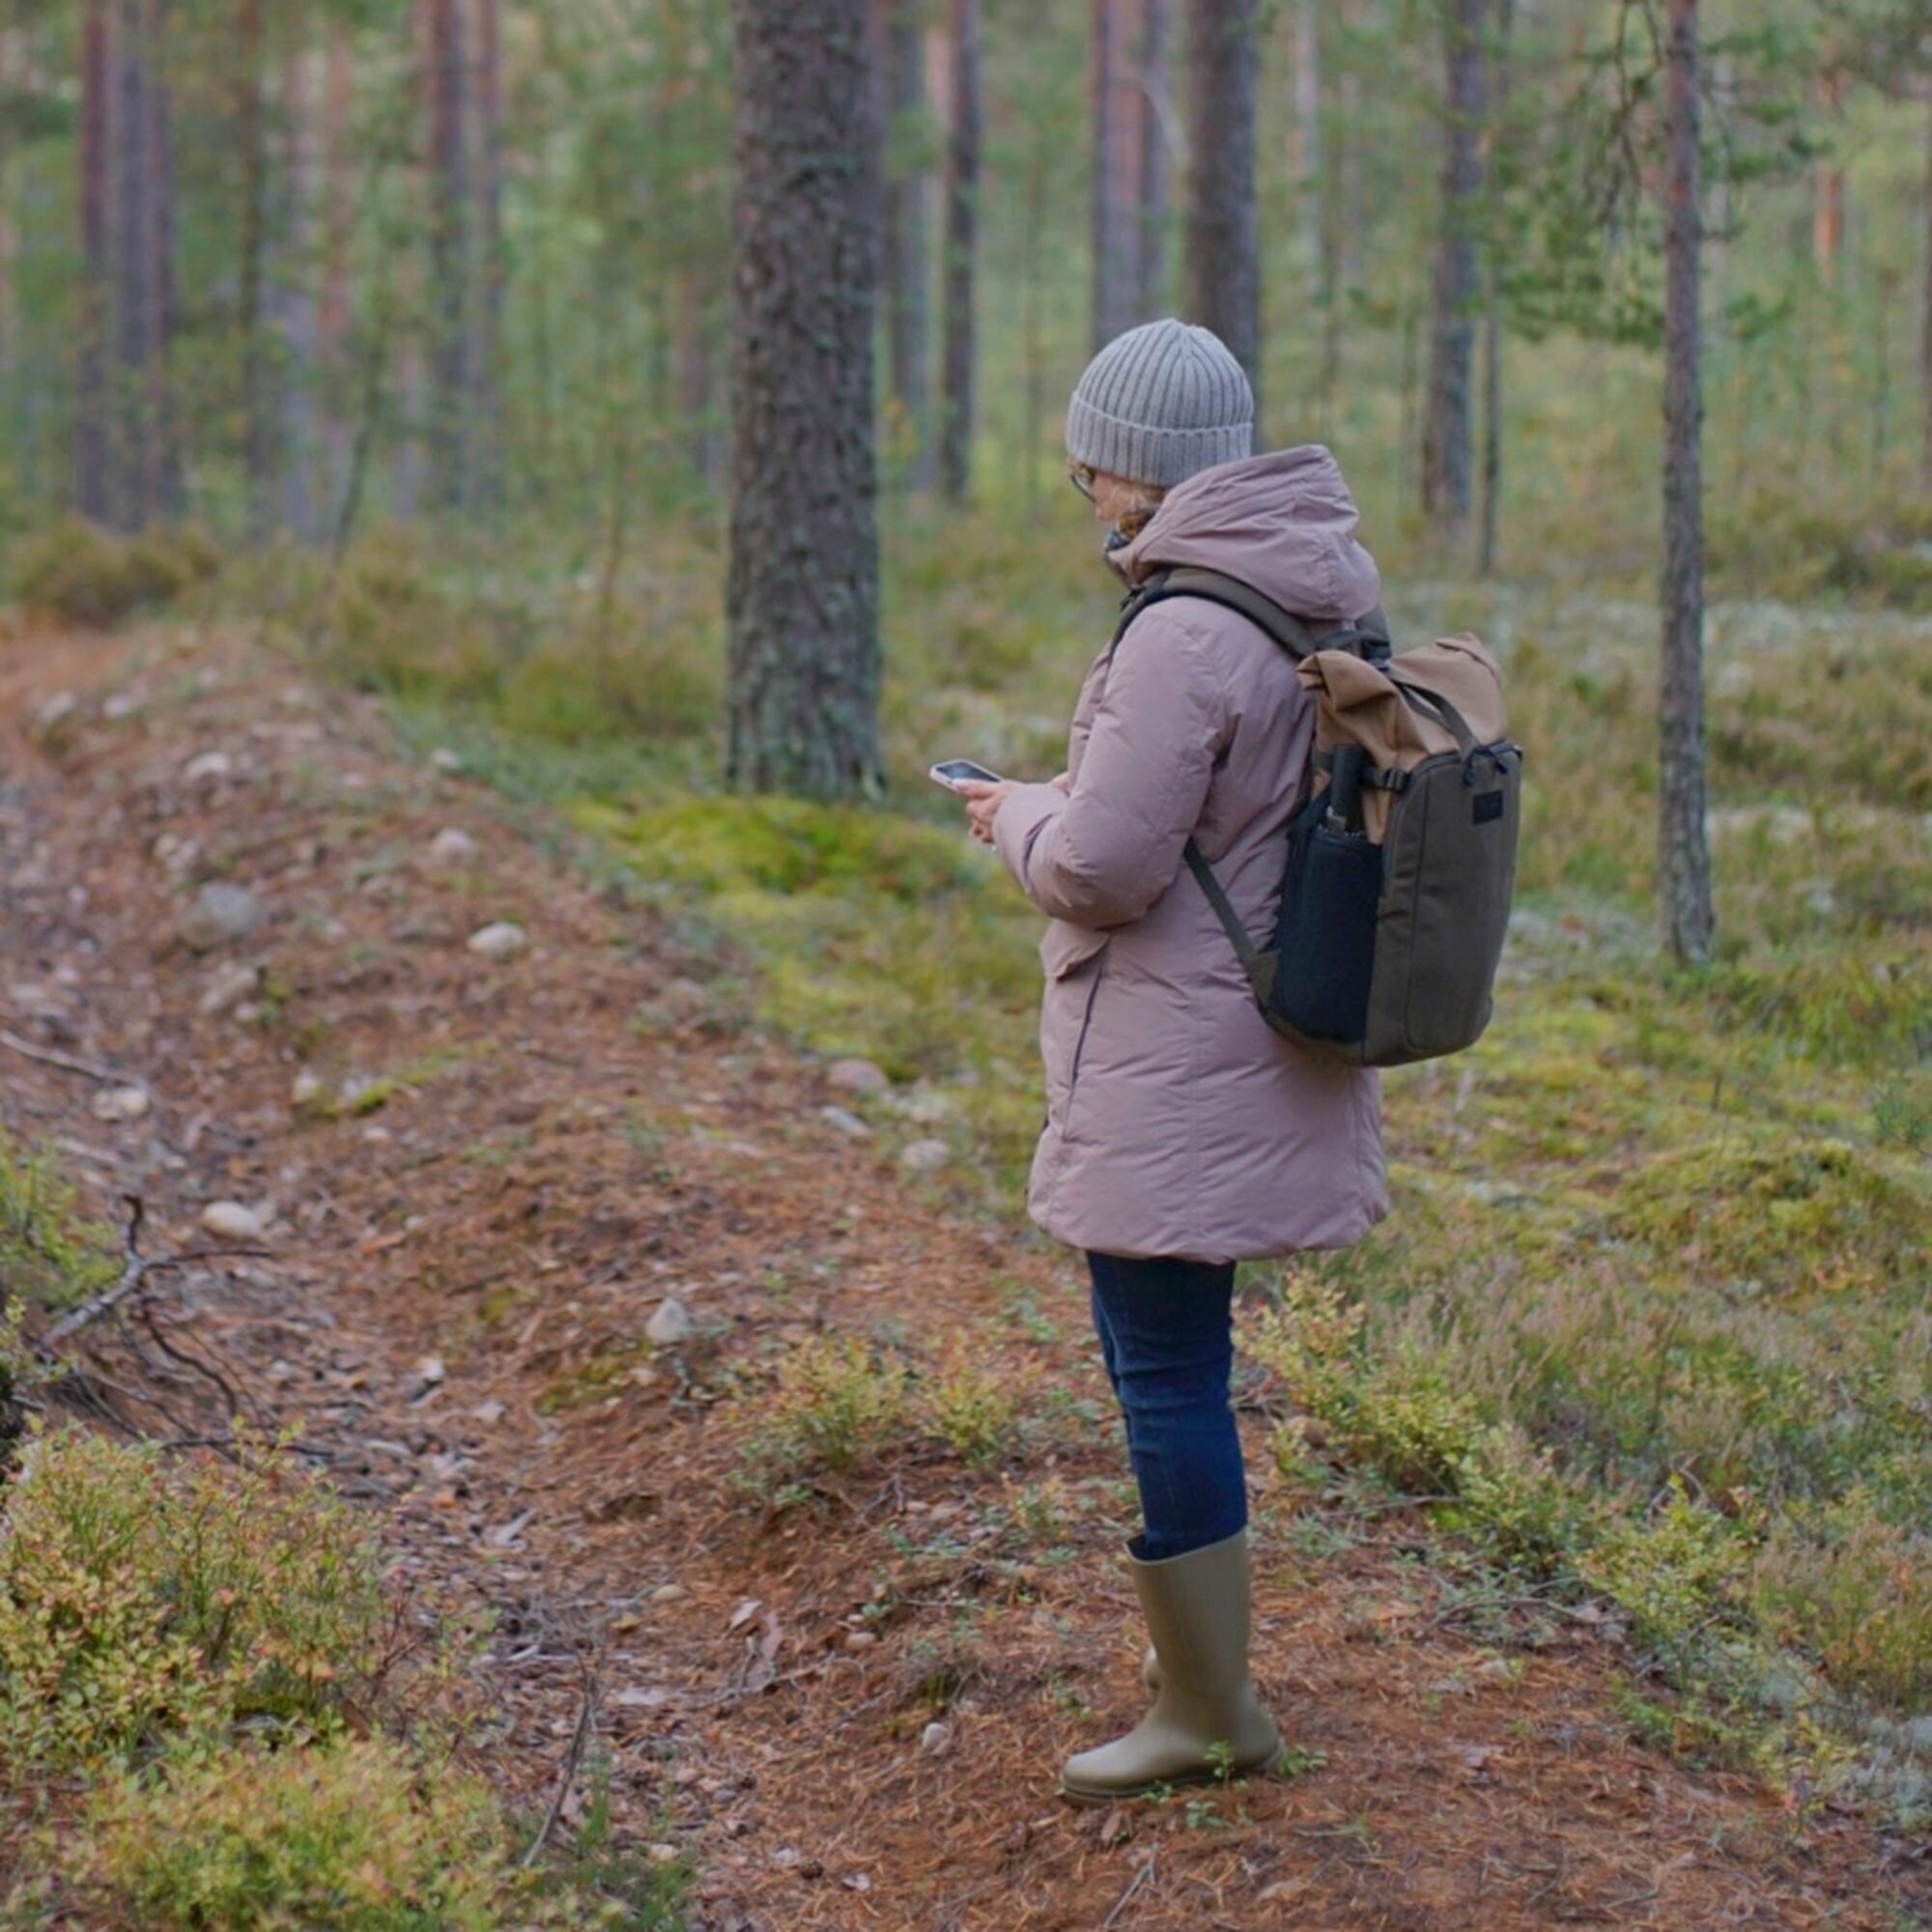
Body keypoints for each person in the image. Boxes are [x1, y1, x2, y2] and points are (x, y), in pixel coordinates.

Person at [956, 317, 1388, 1804]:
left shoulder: (1182, 626)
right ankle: (1204, 1693)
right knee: (1183, 1365)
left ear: (1130, 470)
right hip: (1267, 1032)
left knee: (1166, 1374)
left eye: (1091, 469)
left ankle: (1209, 1715)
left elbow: (1102, 866)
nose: (1087, 493)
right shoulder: (1313, 586)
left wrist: (1012, 813)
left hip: (1177, 1056)